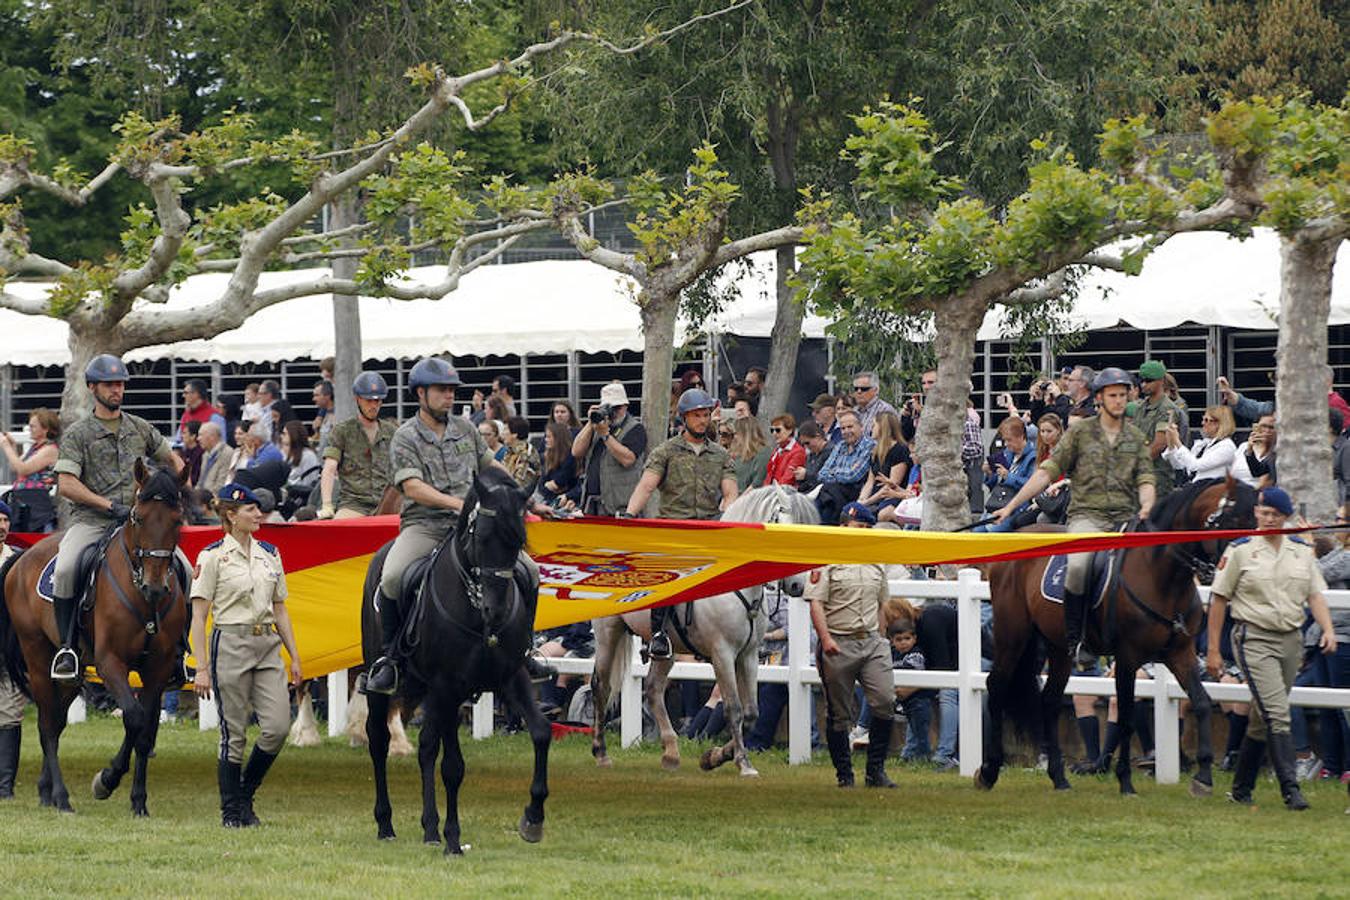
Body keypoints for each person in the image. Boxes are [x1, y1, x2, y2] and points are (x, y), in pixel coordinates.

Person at [991, 367, 1156, 663]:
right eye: (1113, 395)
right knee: (1079, 566)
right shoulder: (1079, 433)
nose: (1120, 401)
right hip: (1087, 517)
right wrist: (1013, 505)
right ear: (1099, 399)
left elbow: (1146, 478)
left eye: (1123, 395)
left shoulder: (1134, 437)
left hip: (1127, 518)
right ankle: (1076, 639)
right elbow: (1046, 474)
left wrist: (1147, 505)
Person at [365, 358, 500, 695]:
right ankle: (390, 660)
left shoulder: (467, 429)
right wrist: (459, 503)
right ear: (421, 393)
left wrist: (525, 499)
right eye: (442, 390)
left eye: (453, 390)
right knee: (393, 576)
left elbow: (492, 467)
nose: (450, 396)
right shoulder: (404, 436)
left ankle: (523, 650)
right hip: (424, 525)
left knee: (525, 570)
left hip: (471, 527)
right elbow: (411, 487)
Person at [50, 354, 183, 681]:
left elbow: (174, 462)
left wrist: (169, 492)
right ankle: (67, 648)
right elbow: (66, 483)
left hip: (141, 524)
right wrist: (109, 507)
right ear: (92, 387)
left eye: (120, 384)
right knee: (66, 567)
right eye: (110, 384)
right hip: (92, 521)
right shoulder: (78, 434)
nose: (117, 390)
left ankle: (179, 649)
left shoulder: (141, 428)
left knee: (187, 571)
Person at [1206, 486, 1338, 810]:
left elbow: (1314, 595)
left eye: (1274, 515)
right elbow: (1218, 599)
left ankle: (1241, 788)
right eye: (1263, 513)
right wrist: (1213, 649)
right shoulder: (1239, 551)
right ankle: (1291, 790)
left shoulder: (1299, 552)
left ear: (1285, 518)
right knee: (1277, 713)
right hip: (1254, 638)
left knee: (1260, 717)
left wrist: (1328, 629)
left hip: (1290, 639)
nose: (1266, 519)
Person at [190, 482, 302, 827]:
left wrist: (294, 656)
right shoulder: (212, 557)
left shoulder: (270, 553)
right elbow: (199, 616)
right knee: (233, 733)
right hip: (231, 645)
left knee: (278, 727)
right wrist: (202, 668)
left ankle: (244, 795)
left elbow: (280, 608)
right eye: (251, 509)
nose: (258, 514)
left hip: (267, 644)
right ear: (231, 515)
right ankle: (232, 812)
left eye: (258, 508)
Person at [624, 388, 738, 660]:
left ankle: (742, 629)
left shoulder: (721, 455)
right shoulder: (666, 451)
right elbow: (647, 486)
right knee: (668, 577)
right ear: (684, 418)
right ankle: (659, 633)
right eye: (697, 415)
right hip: (674, 528)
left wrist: (729, 514)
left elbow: (731, 492)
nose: (703, 420)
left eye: (706, 414)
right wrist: (629, 516)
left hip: (710, 527)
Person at [807, 501, 897, 789]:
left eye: (867, 528)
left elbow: (883, 603)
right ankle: (844, 774)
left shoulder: (875, 559)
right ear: (844, 526)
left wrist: (882, 637)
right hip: (838, 641)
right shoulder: (826, 558)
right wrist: (826, 639)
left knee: (884, 701)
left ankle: (876, 771)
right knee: (839, 714)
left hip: (870, 641)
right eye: (859, 527)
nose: (863, 532)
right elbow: (816, 603)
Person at [572, 382, 648, 517]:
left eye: (617, 408)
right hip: (591, 505)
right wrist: (591, 423)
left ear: (625, 406)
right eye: (610, 408)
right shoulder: (597, 426)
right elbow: (576, 452)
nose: (613, 413)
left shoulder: (635, 428)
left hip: (620, 508)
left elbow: (628, 459)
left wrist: (605, 435)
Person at [1128, 359, 1185, 500]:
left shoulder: (1167, 409)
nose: (1143, 385)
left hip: (1157, 476)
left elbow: (1159, 444)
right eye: (1142, 380)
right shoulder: (1141, 407)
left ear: (1160, 381)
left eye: (1148, 381)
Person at [973, 417, 1037, 533]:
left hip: (1017, 507)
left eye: (1009, 440)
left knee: (992, 530)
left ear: (1022, 437)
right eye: (1005, 440)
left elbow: (1032, 486)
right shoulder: (1006, 454)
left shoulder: (1033, 457)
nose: (1006, 444)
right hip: (997, 503)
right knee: (977, 531)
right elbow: (995, 485)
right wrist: (989, 473)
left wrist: (1009, 477)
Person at [0, 501, 25, 798]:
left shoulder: (20, 562)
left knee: (8, 715)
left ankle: (4, 787)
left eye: (6, 519)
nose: (2, 526)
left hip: (9, 651)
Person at [3, 407, 60, 531]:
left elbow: (23, 469)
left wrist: (6, 447)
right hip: (23, 504)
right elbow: (15, 466)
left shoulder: (49, 449)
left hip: (37, 506)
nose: (30, 429)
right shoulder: (35, 448)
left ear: (45, 429)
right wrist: (12, 446)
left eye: (33, 426)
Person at [814, 409, 875, 525]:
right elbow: (821, 474)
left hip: (855, 493)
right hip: (833, 494)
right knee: (825, 493)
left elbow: (854, 475)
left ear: (861, 427)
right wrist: (842, 473)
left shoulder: (869, 446)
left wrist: (833, 472)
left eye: (850, 427)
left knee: (827, 493)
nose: (846, 431)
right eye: (843, 428)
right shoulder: (840, 446)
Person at [855, 411, 912, 514]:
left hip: (890, 497)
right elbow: (870, 481)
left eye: (874, 425)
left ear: (882, 427)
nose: (871, 429)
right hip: (874, 497)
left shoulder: (899, 450)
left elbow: (891, 485)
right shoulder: (876, 451)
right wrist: (861, 499)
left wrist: (867, 502)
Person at [1162, 404, 1237, 483]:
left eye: (1206, 420)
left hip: (1211, 490)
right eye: (1203, 419)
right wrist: (1171, 442)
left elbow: (1195, 465)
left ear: (1219, 424)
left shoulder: (1226, 447)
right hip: (1196, 488)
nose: (1202, 423)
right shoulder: (1205, 444)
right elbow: (1181, 466)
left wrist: (1177, 441)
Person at [278, 420, 321, 516]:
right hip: (286, 496)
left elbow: (309, 483)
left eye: (284, 433)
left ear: (293, 434)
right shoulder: (285, 453)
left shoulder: (308, 456)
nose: (281, 436)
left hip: (300, 498)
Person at [173, 379, 226, 449]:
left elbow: (221, 445)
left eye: (186, 393)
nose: (183, 396)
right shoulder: (185, 415)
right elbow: (178, 440)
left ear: (196, 394)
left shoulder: (214, 417)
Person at [1230, 413, 1277, 488]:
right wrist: (1249, 449)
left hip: (1254, 493)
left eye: (1271, 427)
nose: (1267, 430)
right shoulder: (1244, 446)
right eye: (1263, 426)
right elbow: (1257, 471)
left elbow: (1263, 479)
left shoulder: (1276, 451)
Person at [538, 421, 579, 506]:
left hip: (567, 501)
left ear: (558, 438)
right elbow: (542, 486)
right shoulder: (546, 457)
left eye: (549, 437)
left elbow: (558, 482)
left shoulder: (570, 457)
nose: (546, 440)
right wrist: (549, 485)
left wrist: (554, 484)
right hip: (548, 499)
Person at [850, 371, 898, 438]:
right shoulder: (854, 411)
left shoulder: (885, 410)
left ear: (875, 390)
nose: (859, 392)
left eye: (864, 389)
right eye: (856, 389)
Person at [729, 417, 771, 493]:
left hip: (750, 499)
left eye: (736, 433)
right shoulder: (738, 452)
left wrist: (739, 501)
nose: (735, 437)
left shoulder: (763, 453)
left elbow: (757, 483)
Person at [763, 415, 806, 487]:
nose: (774, 433)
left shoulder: (798, 452)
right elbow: (769, 475)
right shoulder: (777, 450)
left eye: (778, 430)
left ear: (790, 431)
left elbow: (788, 479)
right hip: (772, 491)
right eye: (772, 430)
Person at [502, 416, 541, 490]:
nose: (502, 433)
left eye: (505, 429)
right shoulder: (510, 451)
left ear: (514, 434)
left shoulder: (526, 454)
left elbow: (520, 484)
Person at [793, 421, 832, 493]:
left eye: (807, 443)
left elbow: (827, 479)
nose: (806, 447)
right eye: (803, 444)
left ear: (818, 437)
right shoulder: (811, 456)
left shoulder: (832, 452)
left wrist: (806, 474)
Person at [311, 380, 336, 450]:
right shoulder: (324, 414)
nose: (313, 399)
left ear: (327, 396)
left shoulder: (338, 416)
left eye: (316, 395)